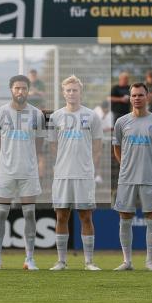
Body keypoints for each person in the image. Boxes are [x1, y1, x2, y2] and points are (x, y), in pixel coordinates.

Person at [47, 76, 103, 271]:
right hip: (62, 174)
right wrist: (62, 163)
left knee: (86, 216)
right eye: (68, 90)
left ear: (81, 92)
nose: (72, 93)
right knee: (61, 216)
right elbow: (53, 146)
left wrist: (90, 166)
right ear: (63, 93)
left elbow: (97, 145)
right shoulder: (56, 117)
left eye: (75, 90)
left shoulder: (92, 116)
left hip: (84, 174)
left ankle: (89, 262)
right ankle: (61, 261)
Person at [0, 75, 46, 270]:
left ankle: (29, 258)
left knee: (30, 215)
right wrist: (8, 157)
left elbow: (39, 144)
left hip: (28, 172)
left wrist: (32, 160)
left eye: (24, 88)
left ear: (28, 90)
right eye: (17, 88)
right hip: (5, 172)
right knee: (0, 215)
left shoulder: (37, 115)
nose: (20, 91)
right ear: (11, 90)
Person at [112, 83, 152, 271]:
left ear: (147, 97)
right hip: (126, 178)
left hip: (148, 177)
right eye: (134, 95)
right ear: (130, 98)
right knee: (125, 217)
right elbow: (116, 147)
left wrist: (148, 163)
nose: (137, 98)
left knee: (151, 217)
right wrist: (125, 165)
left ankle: (150, 262)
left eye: (140, 95)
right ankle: (127, 261)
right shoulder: (121, 122)